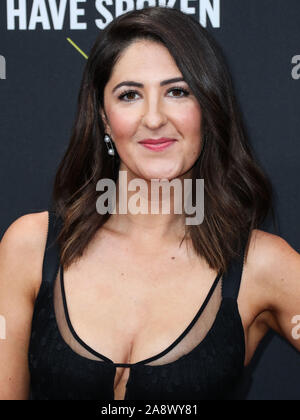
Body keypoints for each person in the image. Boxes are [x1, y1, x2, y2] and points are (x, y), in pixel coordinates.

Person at [0, 6, 299, 401]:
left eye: (177, 91)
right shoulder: (31, 247)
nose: (154, 118)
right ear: (104, 119)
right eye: (129, 95)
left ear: (207, 109)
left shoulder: (261, 264)